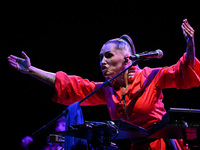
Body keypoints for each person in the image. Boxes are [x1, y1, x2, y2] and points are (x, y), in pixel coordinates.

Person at [8, 19, 200, 149]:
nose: (102, 62)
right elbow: (71, 86)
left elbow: (182, 71)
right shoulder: (108, 90)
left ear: (127, 59)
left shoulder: (151, 77)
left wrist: (190, 46)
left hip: (164, 145)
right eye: (100, 57)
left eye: (108, 56)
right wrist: (31, 70)